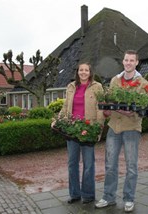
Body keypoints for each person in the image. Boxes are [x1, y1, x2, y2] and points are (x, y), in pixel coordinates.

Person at [95, 50, 148, 212]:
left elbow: (143, 108)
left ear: (136, 63)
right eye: (126, 60)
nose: (128, 63)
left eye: (132, 60)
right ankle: (109, 197)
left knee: (131, 166)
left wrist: (131, 111)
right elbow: (111, 100)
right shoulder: (115, 80)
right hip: (114, 127)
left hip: (131, 127)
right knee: (110, 165)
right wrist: (108, 109)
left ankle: (129, 198)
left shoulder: (143, 84)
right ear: (123, 62)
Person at [52, 62, 104, 204]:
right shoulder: (71, 86)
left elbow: (101, 109)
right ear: (78, 72)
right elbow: (65, 107)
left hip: (88, 130)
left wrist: (98, 128)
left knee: (88, 164)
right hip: (72, 130)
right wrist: (58, 120)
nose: (83, 72)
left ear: (90, 72)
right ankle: (74, 194)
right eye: (81, 70)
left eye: (86, 70)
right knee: (72, 163)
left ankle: (88, 195)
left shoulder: (97, 87)